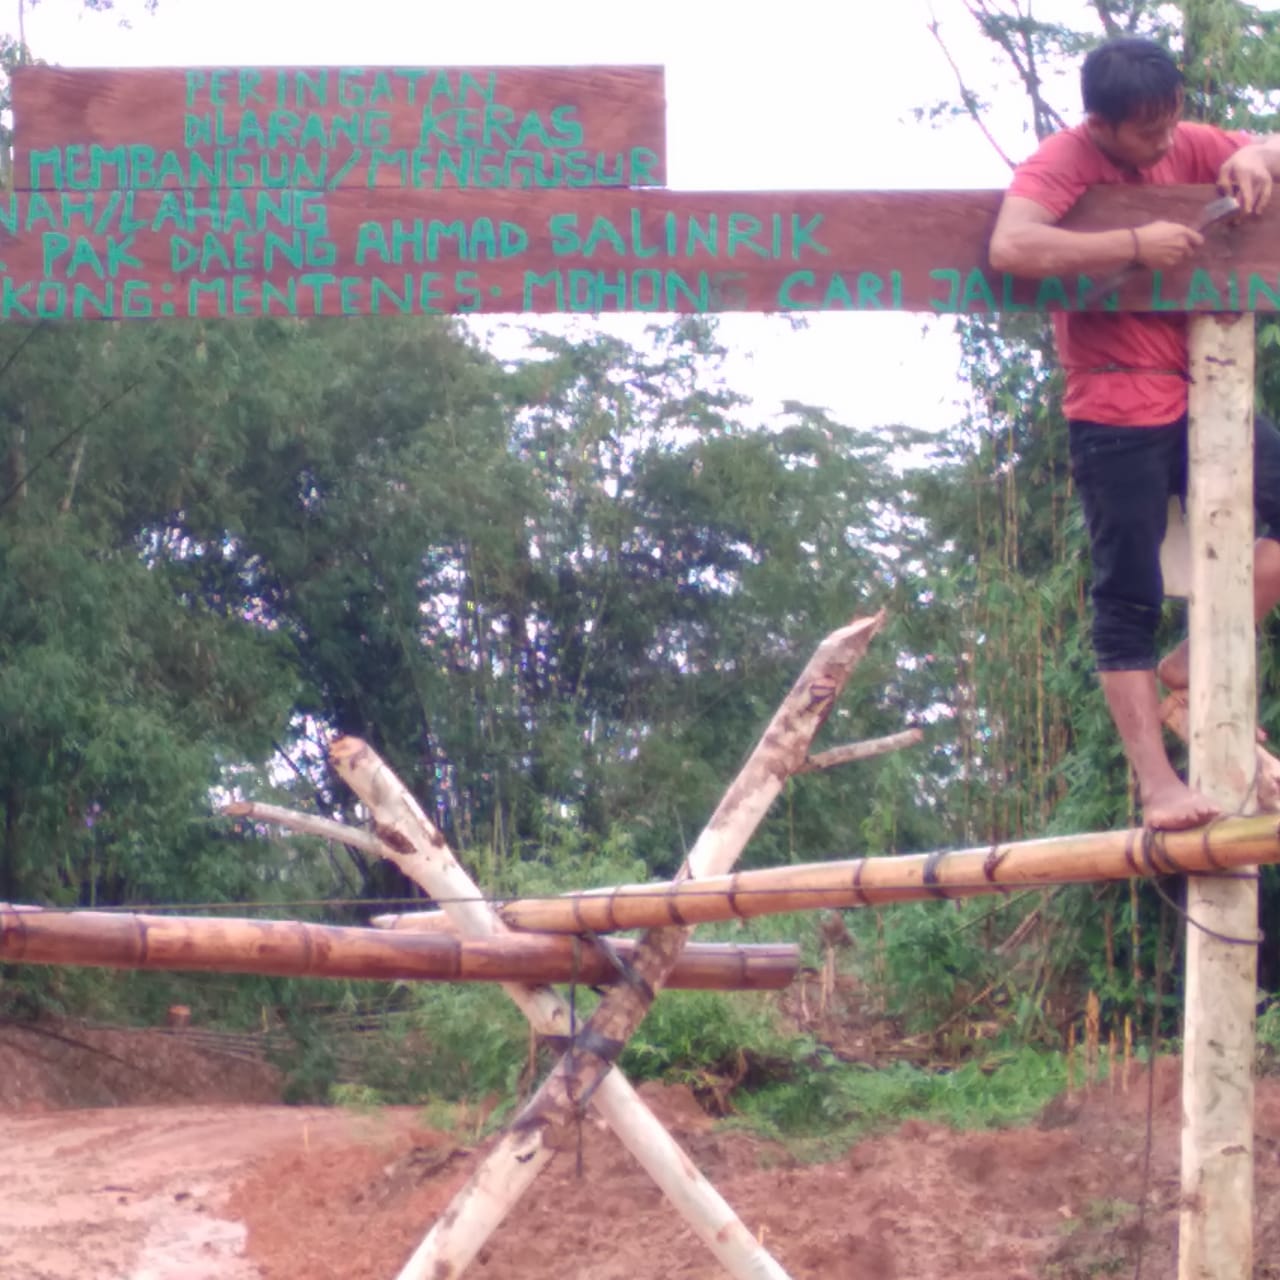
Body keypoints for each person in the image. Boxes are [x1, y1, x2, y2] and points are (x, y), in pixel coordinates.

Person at [988, 36, 1280, 830]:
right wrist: (1132, 243)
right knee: (1127, 598)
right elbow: (1011, 246)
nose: (1164, 142)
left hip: (1206, 393)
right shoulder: (1062, 161)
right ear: (1101, 125)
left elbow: (1270, 144)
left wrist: (1260, 152)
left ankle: (1193, 664)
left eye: (1171, 119)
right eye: (1146, 132)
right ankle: (1159, 787)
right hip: (1114, 411)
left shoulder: (1185, 139)